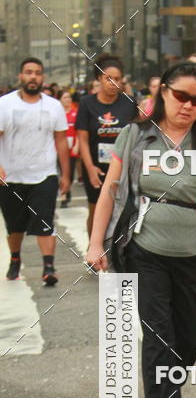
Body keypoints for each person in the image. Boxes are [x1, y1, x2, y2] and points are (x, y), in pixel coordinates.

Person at [86, 62, 196, 398]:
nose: (188, 105)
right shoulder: (134, 135)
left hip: (192, 253)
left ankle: (170, 385)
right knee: (158, 332)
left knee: (189, 337)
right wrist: (96, 243)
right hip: (144, 250)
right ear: (163, 92)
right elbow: (110, 191)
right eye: (181, 96)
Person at [0, 57, 70, 285]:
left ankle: (49, 267)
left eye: (38, 73)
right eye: (28, 72)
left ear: (43, 78)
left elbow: (61, 141)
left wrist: (65, 174)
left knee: (45, 222)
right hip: (11, 176)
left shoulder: (54, 106)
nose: (33, 77)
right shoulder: (5, 104)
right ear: (21, 76)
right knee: (15, 226)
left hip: (44, 175)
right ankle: (15, 258)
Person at [76, 54, 137, 239]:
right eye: (108, 78)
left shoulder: (130, 103)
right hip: (97, 167)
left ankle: (118, 250)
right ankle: (94, 246)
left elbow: (137, 136)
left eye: (117, 79)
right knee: (96, 210)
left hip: (123, 167)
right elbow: (83, 140)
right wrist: (89, 168)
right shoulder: (87, 103)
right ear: (99, 79)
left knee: (123, 210)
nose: (113, 83)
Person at [58, 89, 79, 207]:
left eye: (69, 97)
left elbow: (80, 131)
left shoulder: (76, 112)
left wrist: (77, 145)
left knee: (69, 174)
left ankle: (67, 191)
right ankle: (64, 196)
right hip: (60, 149)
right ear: (60, 100)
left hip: (72, 149)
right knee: (62, 173)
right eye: (65, 97)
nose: (68, 100)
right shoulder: (58, 113)